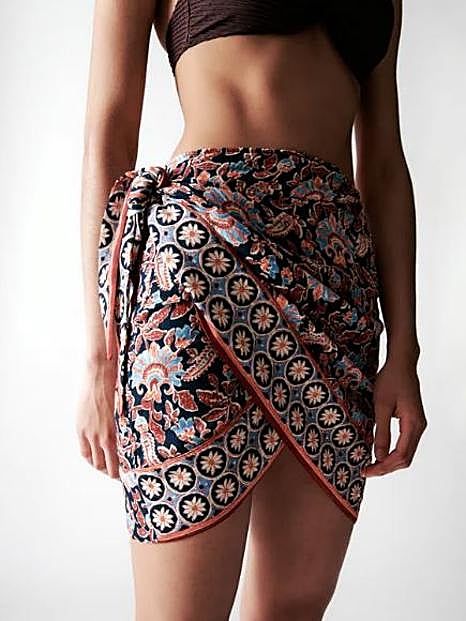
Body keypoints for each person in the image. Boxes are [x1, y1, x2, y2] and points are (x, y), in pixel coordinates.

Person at [76, 1, 428, 619]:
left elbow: (382, 163)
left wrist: (405, 349)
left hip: (337, 293)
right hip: (198, 270)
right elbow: (108, 133)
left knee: (291, 609)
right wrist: (98, 354)